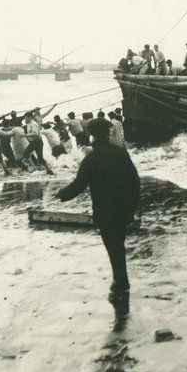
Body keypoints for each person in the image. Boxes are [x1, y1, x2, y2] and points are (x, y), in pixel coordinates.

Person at [57, 118, 140, 309]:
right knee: (118, 245)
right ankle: (121, 282)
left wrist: (62, 194)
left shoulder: (91, 158)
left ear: (91, 135)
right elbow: (134, 180)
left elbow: (78, 185)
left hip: (104, 211)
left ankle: (121, 283)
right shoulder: (120, 153)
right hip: (123, 209)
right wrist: (133, 206)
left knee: (114, 248)